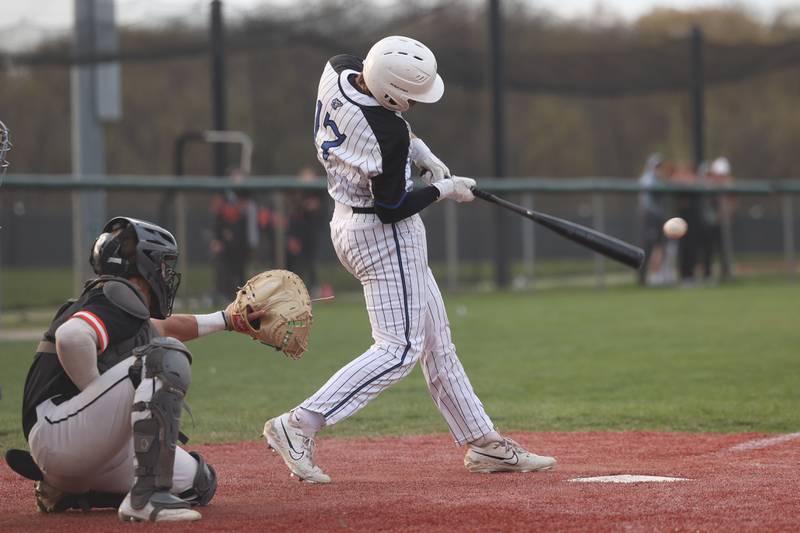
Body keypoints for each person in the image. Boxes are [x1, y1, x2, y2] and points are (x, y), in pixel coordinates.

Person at [262, 35, 556, 484]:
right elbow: (392, 206)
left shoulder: (337, 69)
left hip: (347, 220)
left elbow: (390, 128)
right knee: (399, 349)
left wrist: (423, 154)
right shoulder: (386, 132)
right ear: (390, 93)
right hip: (383, 235)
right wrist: (445, 189)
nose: (415, 106)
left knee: (437, 341)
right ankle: (299, 423)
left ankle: (485, 444)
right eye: (409, 98)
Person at [18, 215, 265, 521]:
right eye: (163, 264)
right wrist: (100, 394)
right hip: (59, 434)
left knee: (198, 483)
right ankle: (146, 499)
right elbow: (71, 338)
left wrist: (229, 320)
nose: (167, 273)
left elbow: (165, 327)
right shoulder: (113, 297)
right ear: (145, 265)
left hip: (81, 447)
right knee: (166, 356)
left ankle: (73, 490)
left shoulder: (120, 305)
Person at [210, 167, 258, 304]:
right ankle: (224, 296)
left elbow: (249, 226)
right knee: (224, 270)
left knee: (241, 272)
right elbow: (218, 220)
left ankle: (242, 299)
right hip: (226, 244)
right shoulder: (225, 198)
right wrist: (218, 238)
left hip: (242, 244)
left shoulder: (249, 197)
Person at [286, 168, 327, 293]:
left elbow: (322, 210)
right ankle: (295, 289)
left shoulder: (320, 194)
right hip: (297, 235)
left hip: (313, 235)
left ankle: (313, 288)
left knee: (311, 262)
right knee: (296, 263)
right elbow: (293, 214)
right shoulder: (295, 194)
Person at [700, 157, 735, 281]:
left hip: (722, 223)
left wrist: (724, 214)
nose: (721, 177)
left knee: (724, 249)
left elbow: (730, 205)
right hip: (708, 223)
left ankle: (726, 275)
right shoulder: (708, 186)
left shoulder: (729, 186)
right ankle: (707, 275)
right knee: (708, 250)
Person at [637, 154, 670, 286]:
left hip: (659, 217)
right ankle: (644, 277)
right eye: (656, 166)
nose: (658, 169)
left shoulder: (660, 180)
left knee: (660, 246)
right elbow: (645, 202)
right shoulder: (647, 179)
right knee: (648, 247)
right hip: (649, 217)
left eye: (660, 166)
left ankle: (657, 275)